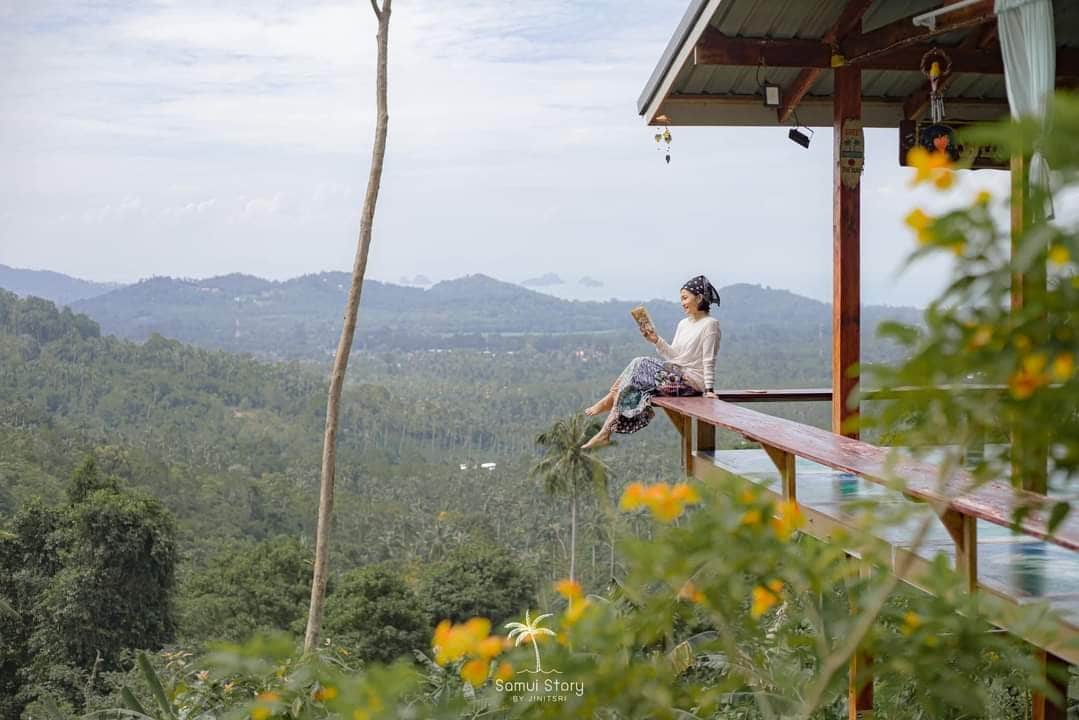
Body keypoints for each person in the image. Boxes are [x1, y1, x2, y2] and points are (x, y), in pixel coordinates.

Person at [581, 275, 721, 450]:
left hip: (691, 383)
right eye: (681, 299)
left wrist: (709, 390)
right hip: (676, 374)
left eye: (685, 298)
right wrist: (656, 340)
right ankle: (606, 429)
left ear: (699, 298)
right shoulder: (683, 324)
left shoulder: (710, 324)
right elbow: (674, 356)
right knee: (637, 369)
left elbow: (709, 360)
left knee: (641, 363)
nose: (682, 303)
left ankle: (608, 409)